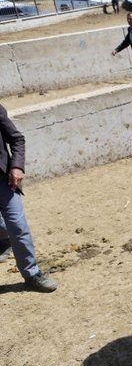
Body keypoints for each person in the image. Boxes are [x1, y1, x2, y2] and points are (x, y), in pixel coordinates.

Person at [0, 104, 57, 292]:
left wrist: (16, 167)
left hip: (3, 181)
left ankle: (31, 275)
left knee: (17, 225)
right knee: (4, 227)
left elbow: (17, 139)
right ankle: (5, 240)